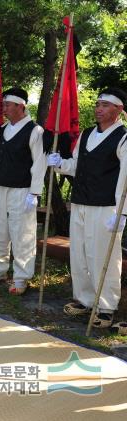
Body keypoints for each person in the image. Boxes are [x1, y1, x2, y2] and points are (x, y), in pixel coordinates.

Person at [48, 88, 127, 329]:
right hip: (81, 201)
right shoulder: (86, 134)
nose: (99, 108)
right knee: (80, 253)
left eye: (105, 105)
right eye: (97, 104)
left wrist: (122, 213)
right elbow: (76, 165)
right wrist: (60, 164)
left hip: (106, 207)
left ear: (119, 109)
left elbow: (126, 178)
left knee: (102, 256)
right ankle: (85, 299)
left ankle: (106, 307)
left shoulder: (123, 138)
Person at [0, 87, 46, 295]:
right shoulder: (3, 130)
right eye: (3, 104)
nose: (3, 108)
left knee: (22, 232)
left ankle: (22, 277)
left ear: (20, 106)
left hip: (22, 190)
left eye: (7, 104)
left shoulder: (35, 131)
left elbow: (40, 163)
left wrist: (35, 192)